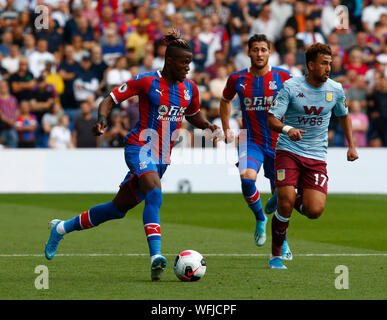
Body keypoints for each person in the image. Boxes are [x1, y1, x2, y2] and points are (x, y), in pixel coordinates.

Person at [44, 30, 219, 281]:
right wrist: (102, 121)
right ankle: (156, 256)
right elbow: (108, 99)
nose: (188, 68)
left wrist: (208, 126)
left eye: (189, 63)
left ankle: (61, 228)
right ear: (169, 61)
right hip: (139, 147)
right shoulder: (146, 81)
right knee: (155, 191)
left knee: (117, 209)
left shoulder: (190, 88)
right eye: (184, 63)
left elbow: (192, 114)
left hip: (162, 158)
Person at [266, 43, 359, 269]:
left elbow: (343, 115)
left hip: (316, 155)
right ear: (310, 65)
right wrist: (289, 129)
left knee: (314, 211)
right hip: (289, 149)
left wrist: (351, 145)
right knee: (286, 205)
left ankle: (281, 195)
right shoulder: (291, 86)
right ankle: (276, 256)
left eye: (330, 63)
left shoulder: (335, 89)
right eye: (324, 63)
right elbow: (272, 119)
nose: (329, 67)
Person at [220, 34, 292, 258]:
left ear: (269, 52)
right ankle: (260, 217)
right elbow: (224, 101)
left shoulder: (283, 76)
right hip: (251, 140)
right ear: (248, 52)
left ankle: (283, 242)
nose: (259, 54)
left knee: (283, 199)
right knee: (246, 178)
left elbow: (296, 101)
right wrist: (226, 128)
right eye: (255, 50)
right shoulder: (237, 78)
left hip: (279, 143)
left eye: (263, 49)